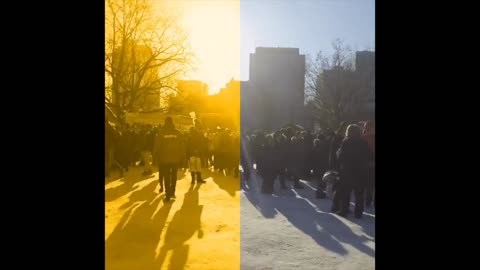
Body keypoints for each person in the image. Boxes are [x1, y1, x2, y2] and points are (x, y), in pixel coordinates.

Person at [333, 124, 373, 218]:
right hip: (360, 171)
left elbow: (341, 156)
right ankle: (358, 213)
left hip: (347, 171)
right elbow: (369, 156)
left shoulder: (346, 142)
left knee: (346, 192)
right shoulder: (363, 143)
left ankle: (344, 210)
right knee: (359, 193)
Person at [153, 117, 186, 202]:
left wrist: (155, 157)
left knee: (166, 176)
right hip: (175, 158)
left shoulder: (161, 133)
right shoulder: (178, 133)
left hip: (164, 159)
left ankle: (167, 195)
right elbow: (182, 147)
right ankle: (172, 192)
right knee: (174, 176)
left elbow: (157, 146)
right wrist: (182, 158)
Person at [363, 121, 375, 208]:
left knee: (369, 184)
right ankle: (369, 200)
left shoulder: (362, 137)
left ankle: (368, 200)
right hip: (368, 163)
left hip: (367, 163)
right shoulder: (364, 137)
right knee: (369, 184)